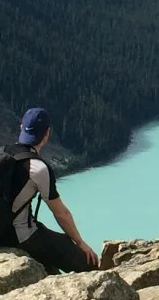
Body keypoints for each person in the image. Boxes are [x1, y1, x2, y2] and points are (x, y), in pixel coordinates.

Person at [7, 107, 98, 272]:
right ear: (47, 134)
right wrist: (80, 243)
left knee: (50, 265)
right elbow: (61, 214)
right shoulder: (38, 168)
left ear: (21, 127)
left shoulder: (2, 153)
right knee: (85, 260)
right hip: (20, 235)